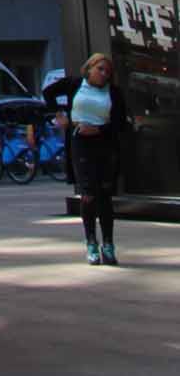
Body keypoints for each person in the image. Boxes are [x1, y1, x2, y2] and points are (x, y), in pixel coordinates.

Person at [69, 51, 127, 266]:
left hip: (105, 146)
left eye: (107, 71)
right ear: (89, 68)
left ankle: (109, 244)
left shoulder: (114, 93)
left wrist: (99, 130)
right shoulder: (76, 85)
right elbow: (48, 93)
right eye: (99, 69)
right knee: (88, 195)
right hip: (81, 146)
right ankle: (91, 242)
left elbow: (121, 124)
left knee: (104, 195)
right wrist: (61, 116)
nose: (103, 74)